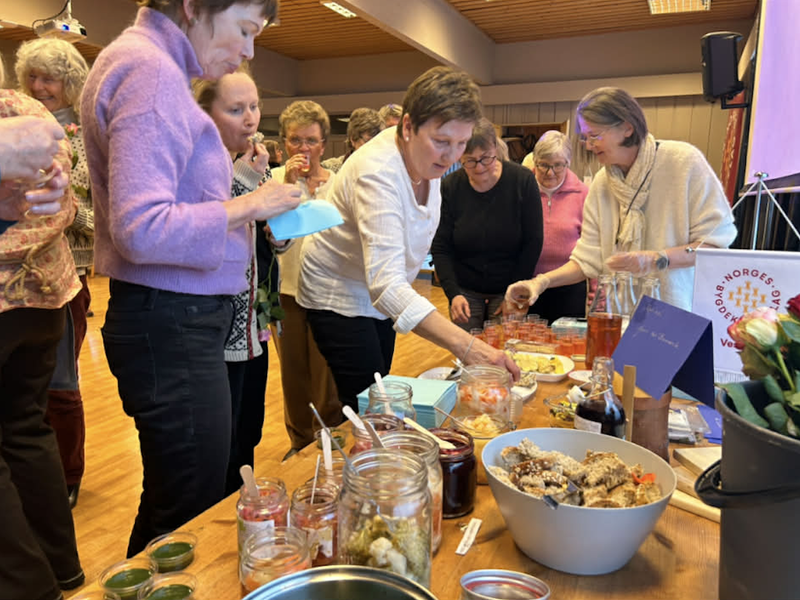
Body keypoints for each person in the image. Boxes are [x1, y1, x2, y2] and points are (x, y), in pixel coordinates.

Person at [80, 0, 301, 556]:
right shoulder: (151, 71)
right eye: (245, 29)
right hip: (170, 319)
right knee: (186, 504)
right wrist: (251, 206)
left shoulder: (147, 65)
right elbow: (140, 227)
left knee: (179, 497)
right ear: (193, 7)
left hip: (172, 317)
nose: (248, 50)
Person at [297, 66, 519, 412]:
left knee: (379, 381)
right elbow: (385, 285)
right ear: (407, 127)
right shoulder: (378, 171)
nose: (451, 157)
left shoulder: (427, 163)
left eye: (460, 143)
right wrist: (468, 346)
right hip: (336, 289)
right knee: (369, 399)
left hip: (374, 285)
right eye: (441, 142)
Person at [506, 87, 737, 313]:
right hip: (620, 314)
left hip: (675, 313)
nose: (588, 145)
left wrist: (658, 259)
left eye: (594, 136)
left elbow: (715, 243)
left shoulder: (683, 162)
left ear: (627, 128)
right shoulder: (601, 183)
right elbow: (588, 259)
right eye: (585, 138)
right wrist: (540, 282)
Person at [0, 57, 85, 600]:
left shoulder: (27, 118)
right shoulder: (30, 114)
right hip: (47, 297)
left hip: (17, 306)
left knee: (26, 426)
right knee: (26, 429)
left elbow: (67, 205)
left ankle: (30, 587)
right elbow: (62, 208)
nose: (38, 86)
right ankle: (62, 569)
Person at [15, 37, 92, 509]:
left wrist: (59, 204)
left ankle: (66, 475)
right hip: (13, 279)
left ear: (70, 85)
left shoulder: (82, 137)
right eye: (33, 77)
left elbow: (94, 219)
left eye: (51, 78)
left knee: (60, 379)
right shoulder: (13, 129)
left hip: (65, 276)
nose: (40, 87)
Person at [194, 68, 278, 494]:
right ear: (205, 113)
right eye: (235, 109)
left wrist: (277, 237)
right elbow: (208, 231)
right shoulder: (200, 163)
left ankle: (240, 509)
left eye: (254, 106)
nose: (250, 119)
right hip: (216, 326)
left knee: (248, 427)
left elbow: (259, 243)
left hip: (253, 322)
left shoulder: (252, 163)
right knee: (219, 441)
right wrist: (250, 188)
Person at [271, 100, 340, 452]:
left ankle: (327, 443)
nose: (303, 149)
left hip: (330, 295)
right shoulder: (272, 181)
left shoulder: (338, 185)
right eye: (295, 140)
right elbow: (272, 237)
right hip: (287, 294)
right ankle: (299, 444)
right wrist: (290, 184)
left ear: (323, 145)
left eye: (311, 141)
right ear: (284, 144)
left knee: (326, 377)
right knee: (294, 376)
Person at [431, 118, 543, 332]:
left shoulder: (522, 181)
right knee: (466, 353)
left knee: (504, 351)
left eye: (485, 158)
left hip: (508, 285)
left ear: (496, 148)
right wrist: (453, 293)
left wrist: (514, 293)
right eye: (470, 161)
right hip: (464, 288)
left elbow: (533, 241)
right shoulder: (451, 187)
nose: (479, 167)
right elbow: (441, 246)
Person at [528, 130, 590, 323]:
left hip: (570, 287)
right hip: (530, 284)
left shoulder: (583, 194)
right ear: (534, 162)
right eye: (544, 165)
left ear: (568, 163)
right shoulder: (522, 188)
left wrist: (596, 295)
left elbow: (593, 250)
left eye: (557, 166)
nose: (550, 172)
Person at [321, 107, 382, 173]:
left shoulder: (386, 170)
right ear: (353, 139)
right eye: (368, 142)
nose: (374, 149)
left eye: (377, 143)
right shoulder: (329, 169)